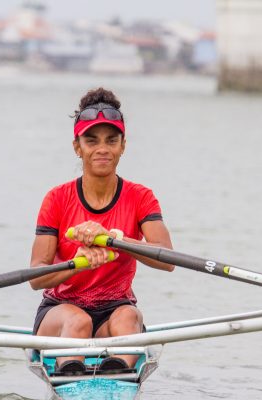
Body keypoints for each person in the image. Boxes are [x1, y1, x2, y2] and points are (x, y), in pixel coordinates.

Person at [29, 87, 174, 374]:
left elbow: (167, 259)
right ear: (77, 146)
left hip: (115, 309)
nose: (102, 149)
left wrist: (116, 240)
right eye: (91, 140)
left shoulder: (140, 197)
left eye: (112, 140)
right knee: (79, 322)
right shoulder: (57, 199)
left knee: (129, 316)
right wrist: (78, 263)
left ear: (123, 145)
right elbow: (36, 277)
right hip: (61, 310)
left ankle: (115, 372)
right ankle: (71, 370)